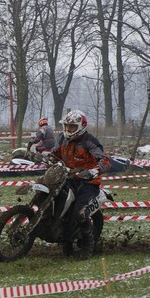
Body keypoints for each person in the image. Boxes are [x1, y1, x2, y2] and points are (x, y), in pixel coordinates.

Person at [54, 109, 111, 259]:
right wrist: (43, 156)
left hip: (88, 183)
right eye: (67, 126)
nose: (68, 129)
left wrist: (95, 171)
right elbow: (55, 154)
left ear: (81, 126)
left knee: (79, 212)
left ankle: (87, 247)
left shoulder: (89, 141)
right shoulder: (62, 138)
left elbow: (105, 160)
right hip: (68, 178)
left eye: (72, 126)